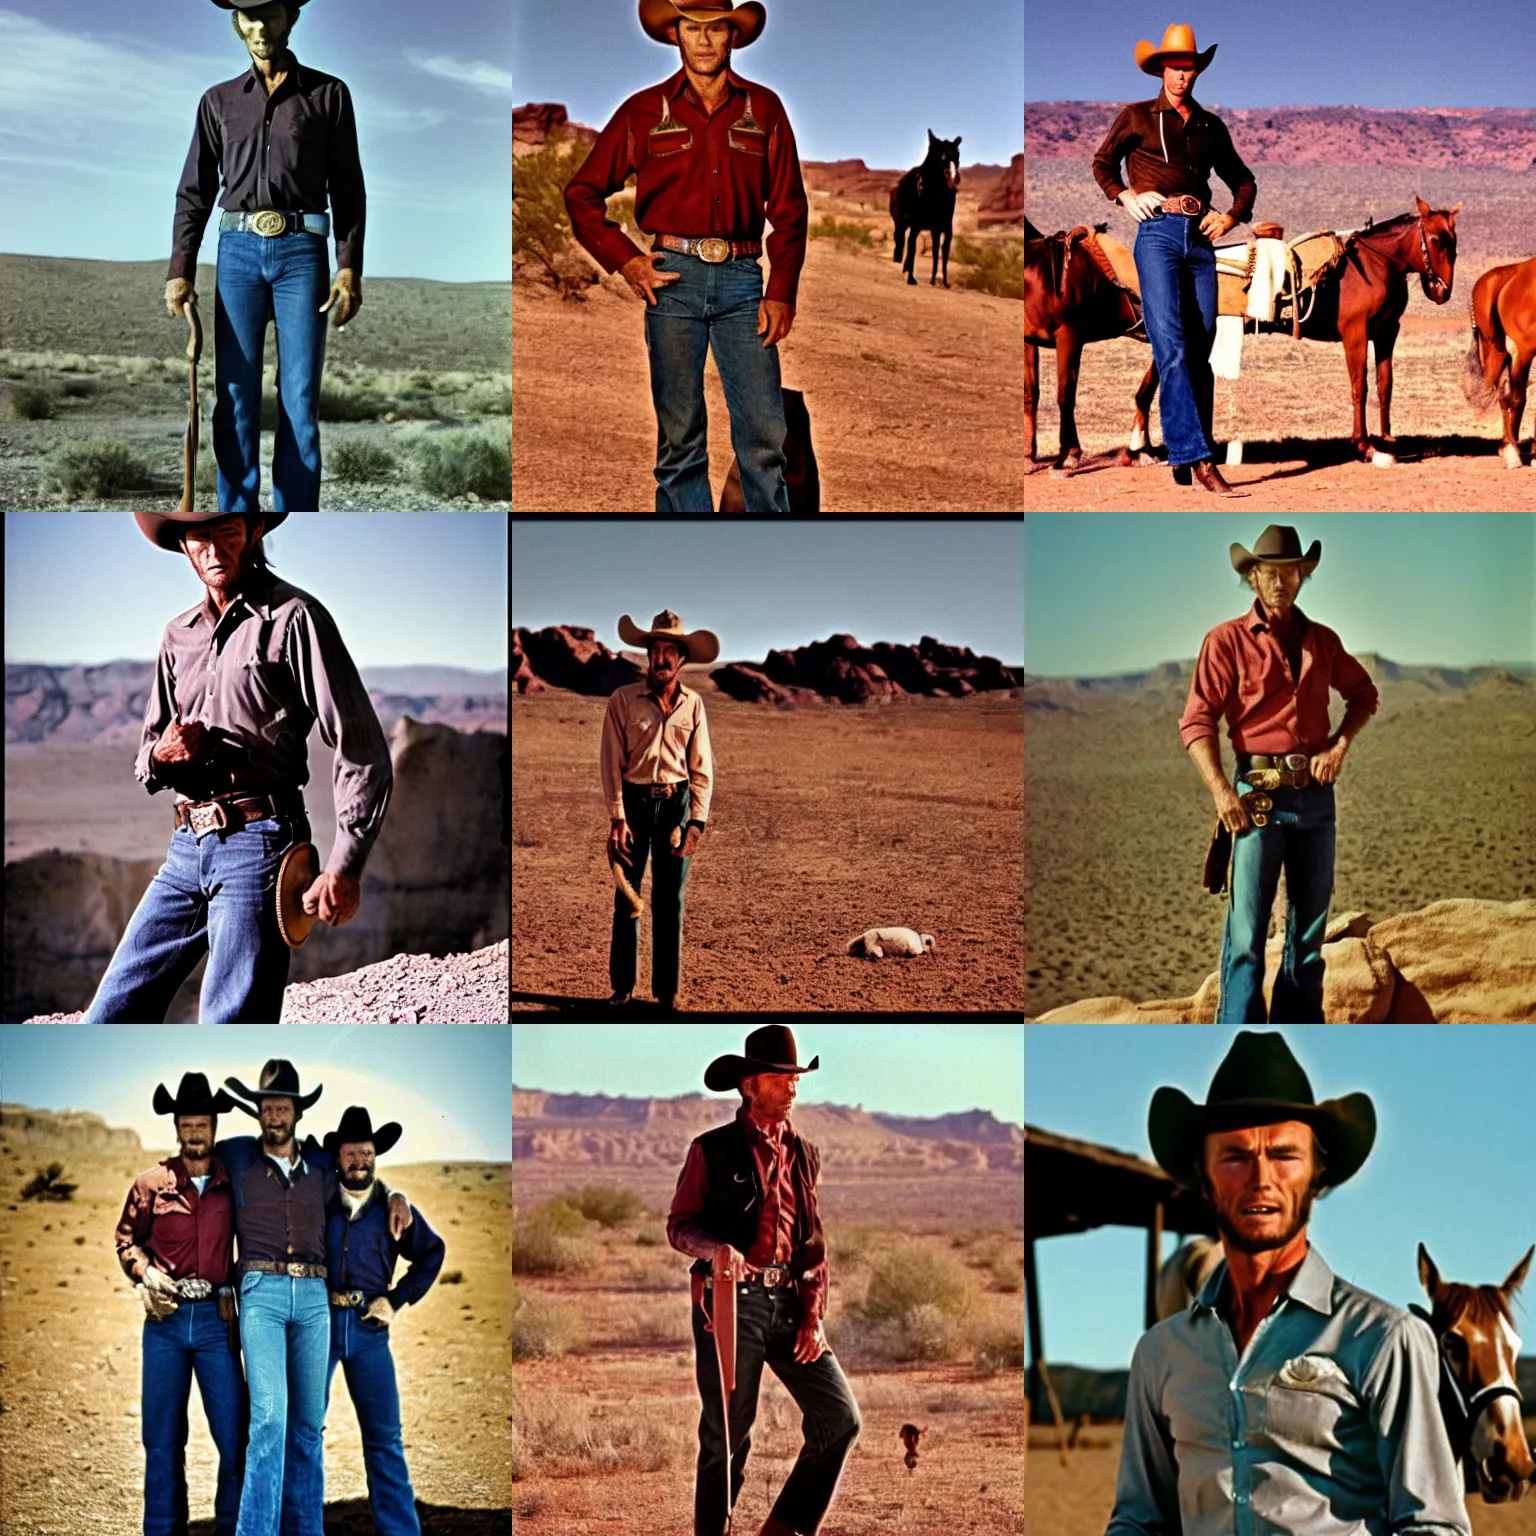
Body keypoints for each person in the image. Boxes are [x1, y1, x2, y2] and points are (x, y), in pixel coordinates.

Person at [1106, 1029, 1471, 1536]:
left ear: (1317, 1173)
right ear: (1204, 1174)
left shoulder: (1384, 1340)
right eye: (1235, 1156)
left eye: (1283, 1155)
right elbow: (1140, 1520)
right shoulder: (1159, 1355)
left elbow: (1434, 1525)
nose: (1261, 1178)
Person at [82, 512, 393, 1023]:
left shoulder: (296, 617)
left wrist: (345, 864)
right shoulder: (176, 635)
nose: (213, 548)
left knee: (230, 1023)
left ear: (253, 533)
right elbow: (146, 755)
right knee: (109, 1015)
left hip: (262, 844)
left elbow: (359, 745)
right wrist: (163, 754)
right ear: (184, 545)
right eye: (199, 535)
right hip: (186, 849)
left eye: (227, 532)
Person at [565, 0, 808, 513]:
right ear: (675, 34)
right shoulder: (642, 112)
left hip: (745, 283)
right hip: (672, 279)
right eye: (692, 29)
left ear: (731, 37)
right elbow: (581, 193)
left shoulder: (765, 109)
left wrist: (781, 289)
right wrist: (627, 260)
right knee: (680, 441)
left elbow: (789, 208)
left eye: (715, 29)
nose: (703, 41)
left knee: (765, 439)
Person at [167, 0, 365, 510]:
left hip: (303, 253)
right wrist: (180, 270)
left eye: (270, 15)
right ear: (237, 25)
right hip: (236, 253)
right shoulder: (218, 101)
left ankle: (296, 516)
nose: (259, 27)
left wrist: (348, 266)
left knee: (299, 399)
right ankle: (236, 518)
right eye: (248, 18)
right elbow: (194, 190)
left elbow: (348, 189)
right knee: (233, 398)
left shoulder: (329, 95)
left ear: (290, 19)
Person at [1179, 526, 1378, 1023]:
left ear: (1301, 576)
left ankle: (1294, 1040)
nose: (1279, 581)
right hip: (1255, 801)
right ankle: (1239, 1041)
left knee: (1308, 938)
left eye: (1289, 571)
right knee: (1246, 937)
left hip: (1317, 802)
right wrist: (1222, 792)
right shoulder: (1225, 641)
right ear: (1252, 577)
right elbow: (1197, 719)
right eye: (1268, 572)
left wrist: (1339, 746)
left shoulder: (1323, 641)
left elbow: (1364, 694)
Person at [668, 1027, 861, 1536]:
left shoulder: (805, 1154)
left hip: (790, 1305)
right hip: (731, 1302)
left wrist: (813, 1317)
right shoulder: (711, 1149)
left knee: (840, 1419)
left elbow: (813, 1245)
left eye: (796, 1080)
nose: (793, 1089)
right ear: (750, 1086)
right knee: (727, 1437)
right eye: (782, 1080)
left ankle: (784, 1531)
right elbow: (680, 1226)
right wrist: (717, 1251)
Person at [215, 1059, 411, 1536]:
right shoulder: (236, 1156)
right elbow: (192, 1171)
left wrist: (395, 1193)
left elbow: (360, 1175)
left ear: (297, 1112)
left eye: (283, 1107)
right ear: (257, 1111)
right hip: (260, 1293)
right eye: (267, 1107)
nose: (275, 1115)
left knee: (307, 1429)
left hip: (314, 1300)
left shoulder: (321, 1164)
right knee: (269, 1421)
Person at [1092, 23, 1257, 495]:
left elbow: (1243, 180)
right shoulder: (1137, 116)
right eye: (1174, 67)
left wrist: (1230, 219)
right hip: (1158, 237)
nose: (1182, 75)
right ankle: (1198, 457)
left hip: (1201, 240)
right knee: (1171, 345)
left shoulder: (1210, 126)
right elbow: (1102, 163)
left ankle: (1186, 448)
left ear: (1196, 70)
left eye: (1189, 68)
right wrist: (1124, 196)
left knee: (1201, 343)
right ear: (1161, 68)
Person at [116, 1072, 247, 1536]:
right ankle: (163, 1528)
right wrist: (145, 1273)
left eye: (202, 1124)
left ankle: (231, 1528)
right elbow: (127, 1242)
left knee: (235, 1439)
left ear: (214, 1127)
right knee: (163, 1440)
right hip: (165, 1323)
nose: (195, 1132)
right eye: (186, 1124)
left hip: (217, 1322)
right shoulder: (150, 1185)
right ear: (176, 1127)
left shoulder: (235, 1184)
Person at [307, 1105, 445, 1536]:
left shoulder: (393, 1211)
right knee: (306, 1434)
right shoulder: (319, 1198)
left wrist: (396, 1300)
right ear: (338, 1157)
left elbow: (431, 1254)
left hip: (369, 1333)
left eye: (367, 1153)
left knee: (385, 1439)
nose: (359, 1162)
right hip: (319, 1327)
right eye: (351, 1154)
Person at [600, 610, 717, 1013]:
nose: (662, 659)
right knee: (627, 898)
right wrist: (617, 817)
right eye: (656, 650)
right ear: (648, 655)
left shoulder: (694, 706)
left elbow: (701, 768)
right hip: (632, 804)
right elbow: (610, 762)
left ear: (682, 659)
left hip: (675, 805)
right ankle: (622, 988)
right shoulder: (622, 700)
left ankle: (666, 993)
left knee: (670, 901)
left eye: (670, 651)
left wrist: (696, 823)